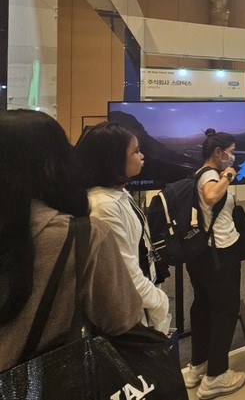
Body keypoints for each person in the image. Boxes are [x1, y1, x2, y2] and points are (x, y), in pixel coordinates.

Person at [0, 110, 143, 372]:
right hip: (54, 377)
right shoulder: (85, 235)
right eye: (135, 151)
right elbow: (122, 318)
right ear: (55, 164)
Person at [75, 122, 171, 335]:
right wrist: (160, 302)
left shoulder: (117, 194)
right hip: (129, 316)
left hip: (140, 304)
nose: (142, 156)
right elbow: (125, 274)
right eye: (135, 151)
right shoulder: (104, 206)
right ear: (114, 159)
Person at [182, 129, 245, 398]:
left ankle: (198, 366)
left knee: (203, 309)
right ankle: (216, 376)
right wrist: (228, 175)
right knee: (225, 311)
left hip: (202, 255)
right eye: (231, 152)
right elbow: (210, 196)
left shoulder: (199, 173)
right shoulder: (210, 175)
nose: (233, 157)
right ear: (218, 152)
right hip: (220, 253)